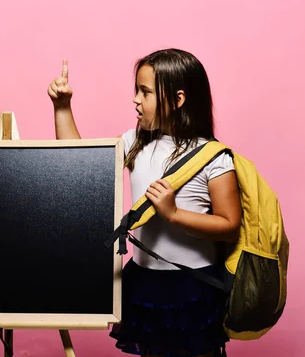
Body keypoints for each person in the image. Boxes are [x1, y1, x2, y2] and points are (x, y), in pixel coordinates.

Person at [47, 50, 242, 356]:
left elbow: (229, 226)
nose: (135, 99)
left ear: (178, 99)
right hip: (146, 281)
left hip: (192, 285)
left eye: (145, 92)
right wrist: (62, 107)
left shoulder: (215, 157)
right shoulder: (135, 141)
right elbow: (79, 164)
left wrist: (174, 214)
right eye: (136, 90)